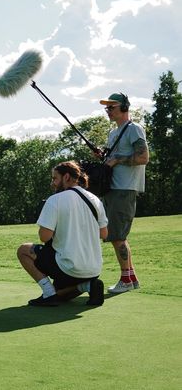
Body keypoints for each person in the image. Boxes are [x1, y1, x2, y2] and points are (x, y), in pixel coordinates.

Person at [17, 161, 108, 307]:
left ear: (66, 177)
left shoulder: (55, 200)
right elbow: (104, 234)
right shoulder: (95, 199)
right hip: (94, 269)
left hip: (68, 269)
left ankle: (48, 293)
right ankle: (88, 286)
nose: (52, 183)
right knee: (62, 293)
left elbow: (44, 237)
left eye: (54, 178)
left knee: (23, 250)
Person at [99, 93, 149, 294]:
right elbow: (111, 157)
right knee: (117, 236)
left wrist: (118, 159)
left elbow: (143, 157)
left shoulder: (134, 129)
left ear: (124, 107)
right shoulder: (113, 133)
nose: (108, 111)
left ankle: (125, 281)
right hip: (112, 188)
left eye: (112, 107)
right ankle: (131, 278)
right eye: (107, 108)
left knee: (117, 236)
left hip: (124, 188)